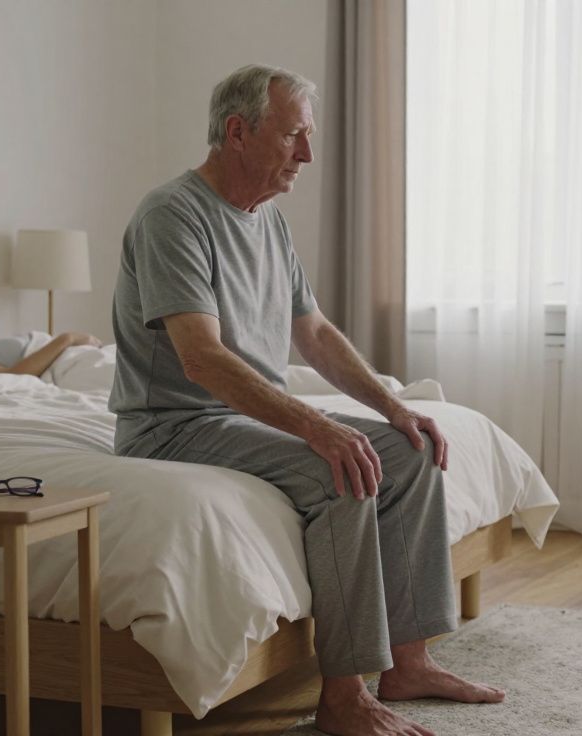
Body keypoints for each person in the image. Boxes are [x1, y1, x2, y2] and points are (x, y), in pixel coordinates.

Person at [109, 64, 503, 736]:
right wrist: (318, 429)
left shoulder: (268, 220)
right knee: (338, 468)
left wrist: (392, 408)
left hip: (239, 415)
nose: (308, 154)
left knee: (406, 452)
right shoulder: (172, 216)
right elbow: (201, 359)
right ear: (238, 132)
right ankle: (343, 697)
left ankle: (407, 664)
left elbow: (313, 333)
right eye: (294, 135)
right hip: (171, 425)